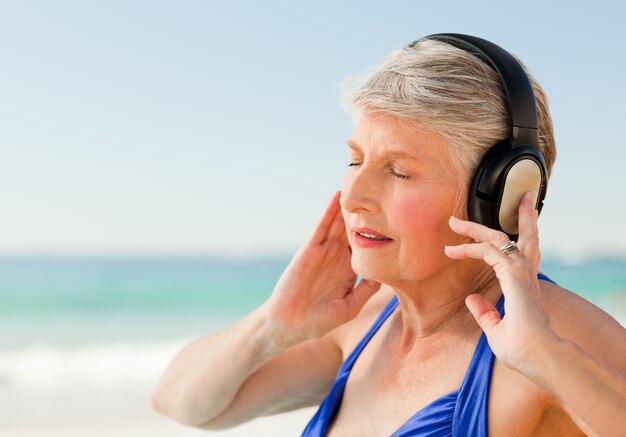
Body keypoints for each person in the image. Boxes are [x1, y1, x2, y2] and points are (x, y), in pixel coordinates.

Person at [150, 34, 626, 436]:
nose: (352, 197)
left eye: (399, 172)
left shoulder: (560, 334)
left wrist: (548, 359)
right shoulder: (364, 322)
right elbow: (183, 404)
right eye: (355, 160)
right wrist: (275, 324)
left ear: (500, 194)